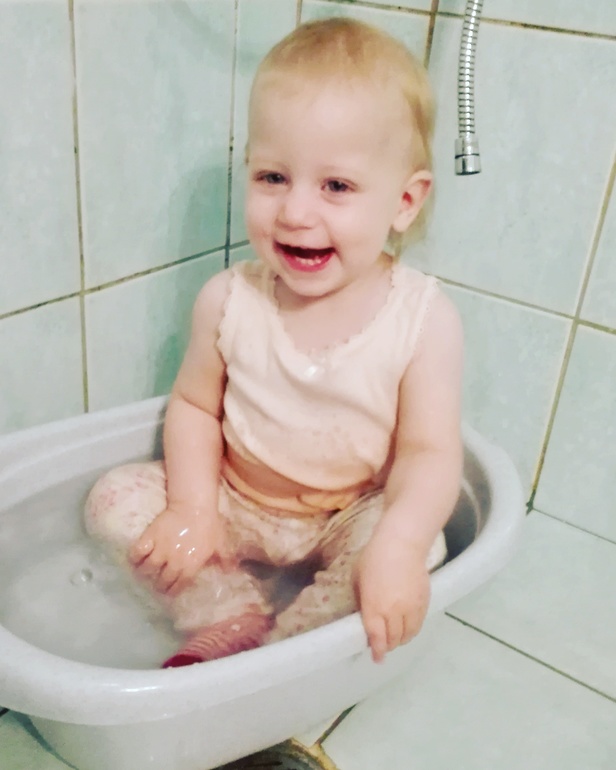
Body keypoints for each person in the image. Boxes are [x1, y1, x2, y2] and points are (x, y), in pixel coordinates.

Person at [85, 17, 464, 668]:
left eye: (336, 186)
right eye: (272, 177)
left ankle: (291, 647)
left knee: (418, 548)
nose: (294, 212)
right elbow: (195, 407)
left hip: (346, 512)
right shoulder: (229, 299)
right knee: (113, 500)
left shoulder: (423, 321)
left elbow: (428, 453)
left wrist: (397, 545)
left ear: (404, 201)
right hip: (235, 501)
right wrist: (194, 510)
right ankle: (226, 610)